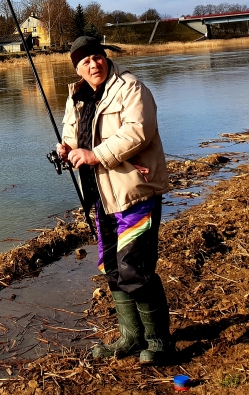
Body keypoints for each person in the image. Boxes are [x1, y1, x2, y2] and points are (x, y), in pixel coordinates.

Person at [56, 35, 173, 365]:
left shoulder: (131, 87)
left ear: (104, 57)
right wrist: (65, 150)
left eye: (97, 57)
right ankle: (131, 338)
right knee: (111, 268)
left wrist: (94, 155)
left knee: (134, 268)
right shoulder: (77, 96)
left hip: (133, 192)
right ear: (78, 69)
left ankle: (160, 342)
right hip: (99, 197)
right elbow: (71, 136)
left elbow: (139, 131)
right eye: (85, 61)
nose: (93, 64)